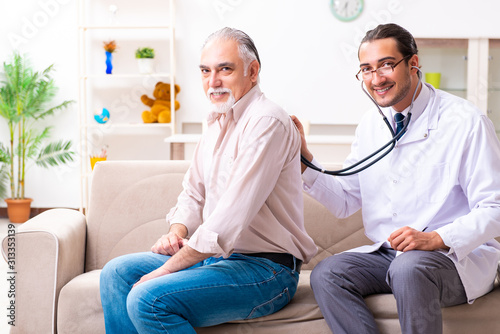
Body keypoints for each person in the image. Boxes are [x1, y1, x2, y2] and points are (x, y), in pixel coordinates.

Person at [100, 27, 317, 334]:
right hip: (215, 260)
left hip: (266, 271)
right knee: (116, 273)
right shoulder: (216, 120)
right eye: (205, 71)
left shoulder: (267, 122)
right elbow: (193, 192)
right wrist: (177, 231)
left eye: (225, 70)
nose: (213, 82)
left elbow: (228, 218)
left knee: (147, 299)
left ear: (252, 71)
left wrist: (166, 269)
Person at [292, 23, 500, 334]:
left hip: (456, 257)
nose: (376, 79)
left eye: (386, 65)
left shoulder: (466, 122)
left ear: (413, 64)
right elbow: (346, 200)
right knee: (327, 273)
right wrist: (304, 160)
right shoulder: (370, 126)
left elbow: (494, 207)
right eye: (366, 69)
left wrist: (435, 238)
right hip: (391, 255)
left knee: (408, 267)